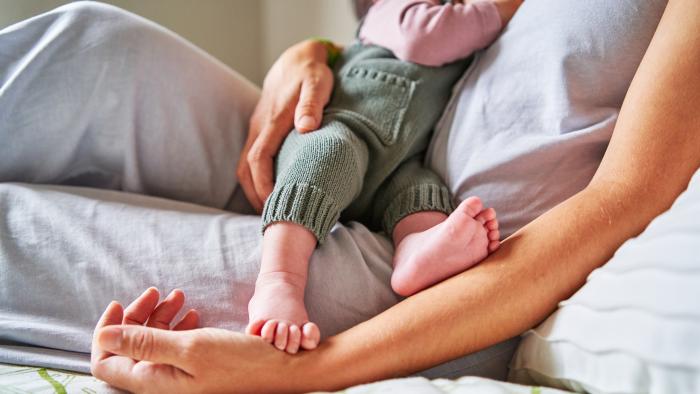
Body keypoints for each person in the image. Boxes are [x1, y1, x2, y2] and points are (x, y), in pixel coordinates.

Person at [0, 0, 697, 392]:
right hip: (376, 148)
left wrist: (309, 372)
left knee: (18, 231)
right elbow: (427, 49)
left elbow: (624, 200)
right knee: (94, 46)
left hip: (448, 276)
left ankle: (288, 272)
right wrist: (320, 55)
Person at [247, 0, 522, 353]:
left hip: (396, 165)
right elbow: (425, 37)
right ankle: (278, 280)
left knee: (420, 187)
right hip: (339, 129)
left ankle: (415, 251)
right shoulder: (391, 13)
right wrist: (500, 9)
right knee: (330, 153)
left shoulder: (468, 48)